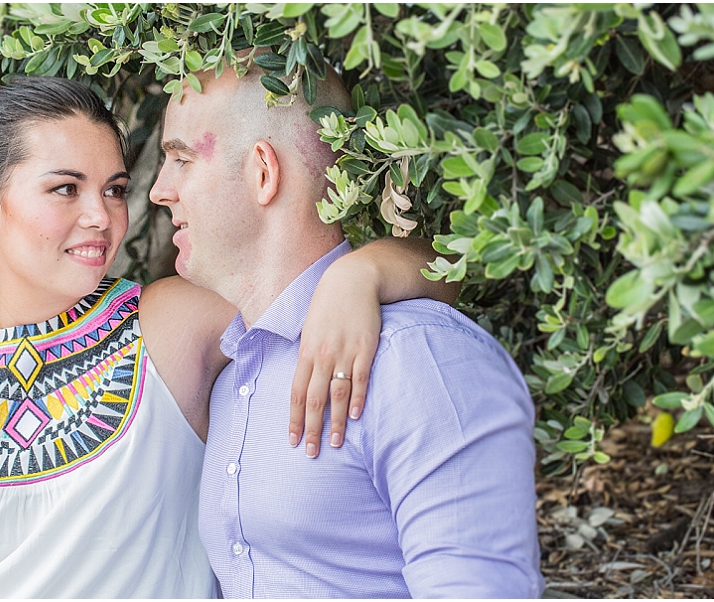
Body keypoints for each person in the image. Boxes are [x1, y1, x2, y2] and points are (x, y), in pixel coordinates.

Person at [0, 77, 456, 598]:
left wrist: (362, 274)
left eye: (114, 189)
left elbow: (450, 271)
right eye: (66, 188)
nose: (102, 215)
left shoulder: (170, 323)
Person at [150, 64, 546, 597]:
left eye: (181, 159)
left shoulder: (418, 361)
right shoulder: (232, 368)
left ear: (262, 172)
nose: (158, 190)